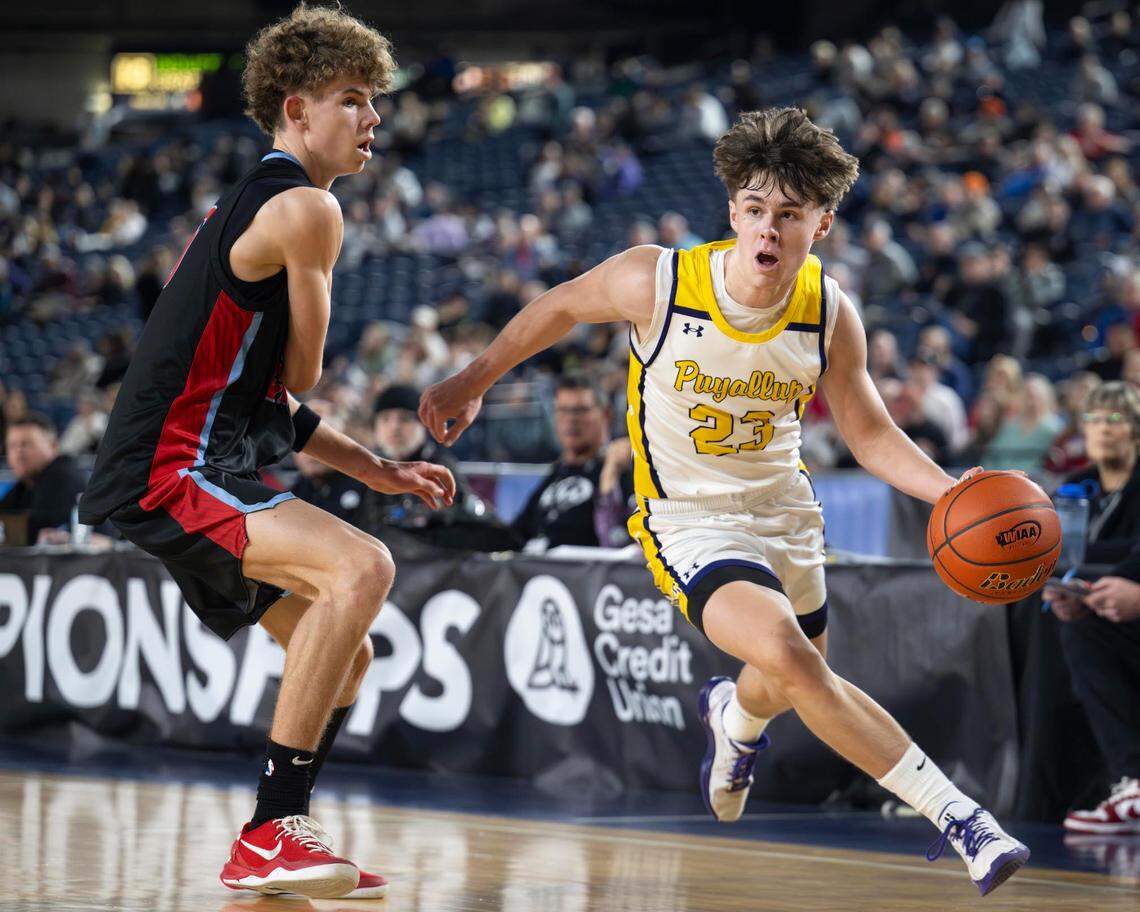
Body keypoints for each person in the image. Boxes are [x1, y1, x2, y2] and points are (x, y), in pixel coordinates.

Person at [421, 107, 1029, 895]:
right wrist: (473, 379)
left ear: (822, 225)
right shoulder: (661, 281)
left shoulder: (827, 311)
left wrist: (951, 490)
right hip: (689, 519)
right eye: (754, 208)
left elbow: (869, 432)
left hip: (786, 514)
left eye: (790, 214)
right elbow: (562, 305)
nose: (769, 228)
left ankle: (734, 719)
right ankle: (962, 819)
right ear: (733, 213)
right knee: (792, 659)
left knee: (792, 676)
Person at [76, 6, 455, 901]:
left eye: (374, 101)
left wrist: (379, 469)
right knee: (363, 566)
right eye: (352, 99)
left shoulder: (256, 202)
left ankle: (282, 837)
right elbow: (303, 371)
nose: (373, 118)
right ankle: (270, 830)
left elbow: (267, 396)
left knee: (349, 654)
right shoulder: (307, 208)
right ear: (297, 110)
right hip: (173, 469)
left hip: (189, 462)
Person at [1044, 383, 1140, 835]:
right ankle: (1128, 784)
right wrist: (1063, 594)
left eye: (1114, 419)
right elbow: (1057, 558)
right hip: (1103, 616)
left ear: (1135, 428)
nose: (1103, 428)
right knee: (1074, 631)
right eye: (1095, 419)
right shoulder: (1072, 488)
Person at [362, 383, 515, 550]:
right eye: (385, 419)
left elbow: (462, 523)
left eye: (405, 419)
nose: (395, 427)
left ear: (423, 425)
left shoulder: (437, 467)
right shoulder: (364, 468)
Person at [511, 374, 634, 550]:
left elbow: (620, 541)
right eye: (563, 410)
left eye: (580, 410)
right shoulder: (557, 473)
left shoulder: (620, 467)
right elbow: (516, 535)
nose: (571, 419)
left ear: (606, 414)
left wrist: (611, 471)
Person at [0, 412, 87, 544]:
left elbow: (33, 529)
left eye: (26, 444)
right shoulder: (26, 483)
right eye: (12, 445)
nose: (18, 452)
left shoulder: (63, 475)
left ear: (53, 445)